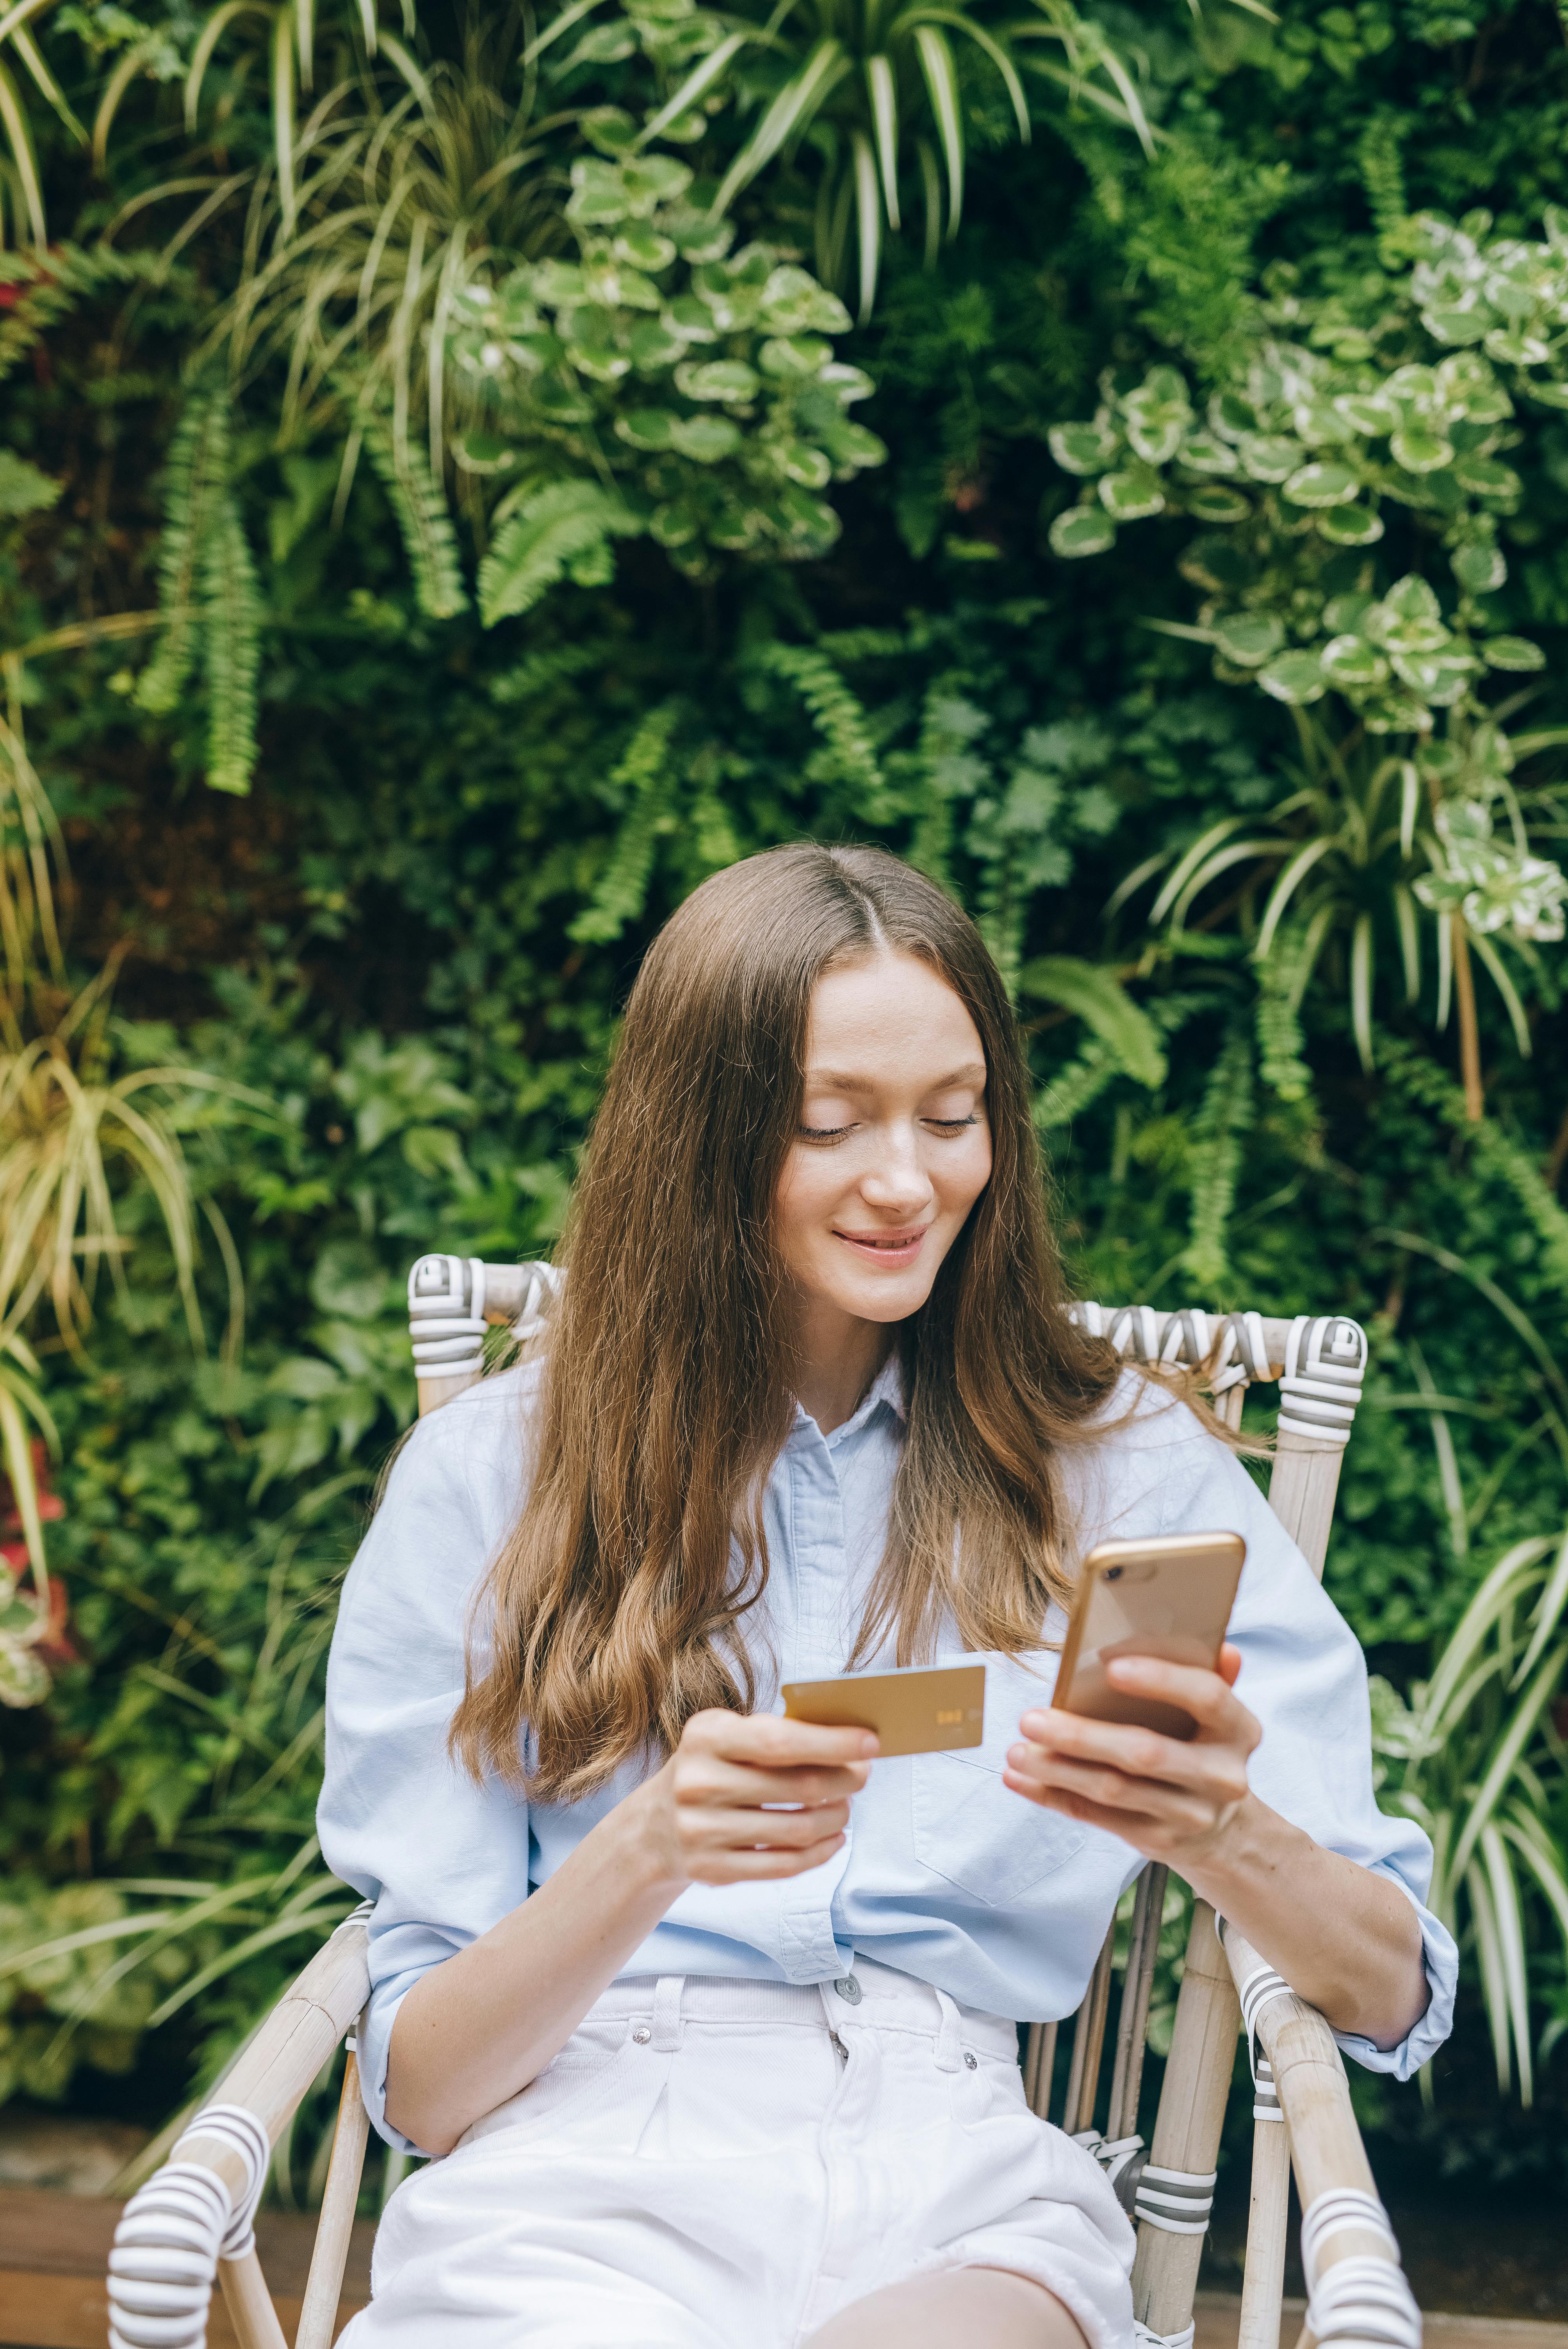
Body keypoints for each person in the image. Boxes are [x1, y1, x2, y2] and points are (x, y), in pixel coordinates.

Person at [319, 843, 1454, 2349]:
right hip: (579, 2178)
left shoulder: (1125, 1466)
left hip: (958, 2183)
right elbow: (424, 2088)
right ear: (700, 1139)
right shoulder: (488, 1482)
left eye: (954, 1117)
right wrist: (650, 1849)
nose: (910, 1183)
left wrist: (1218, 1830)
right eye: (829, 1124)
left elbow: (1390, 1996)